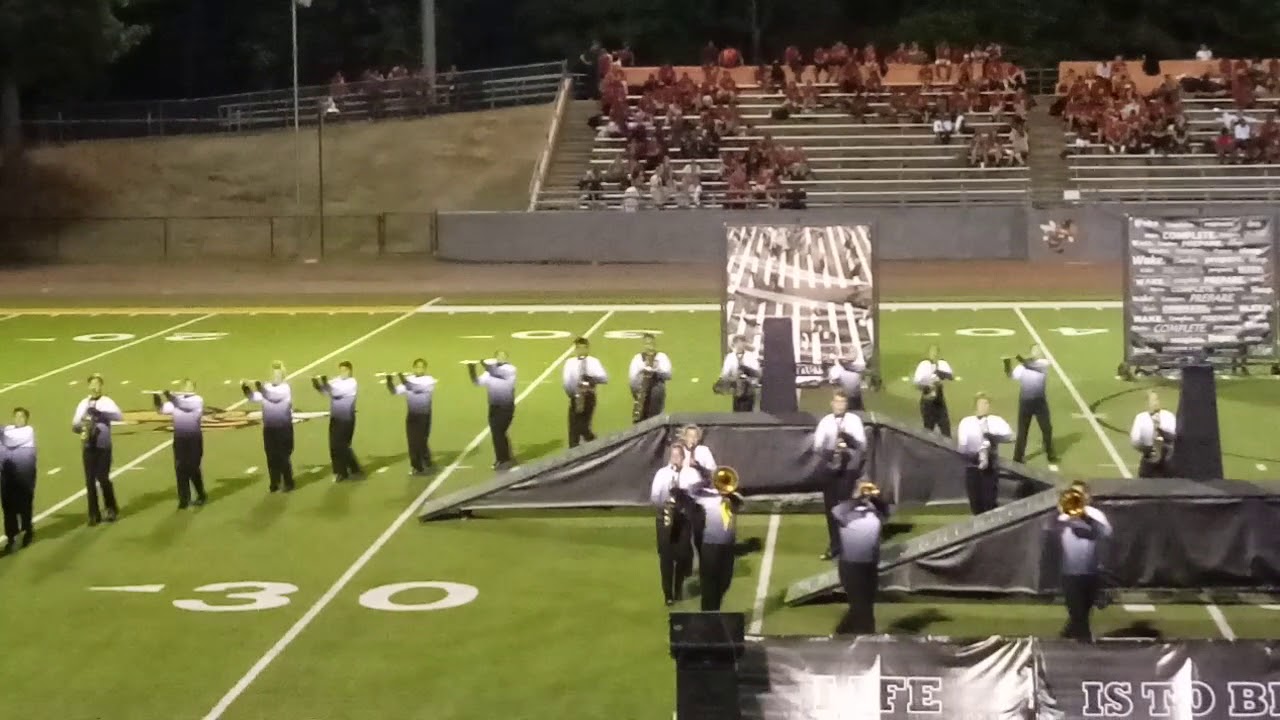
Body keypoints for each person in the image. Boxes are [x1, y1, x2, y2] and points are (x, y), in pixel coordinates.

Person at [814, 392, 867, 560]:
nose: (840, 405)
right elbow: (817, 446)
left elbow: (862, 444)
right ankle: (835, 545)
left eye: (843, 402)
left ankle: (848, 544)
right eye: (837, 402)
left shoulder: (854, 420)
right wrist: (831, 450)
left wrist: (848, 442)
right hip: (830, 468)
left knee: (846, 507)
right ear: (832, 403)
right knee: (831, 509)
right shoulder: (826, 422)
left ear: (847, 404)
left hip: (848, 470)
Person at [1056, 484, 1112, 642]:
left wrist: (1086, 516)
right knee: (1080, 618)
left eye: (1080, 494)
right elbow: (1055, 528)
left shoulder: (1096, 514)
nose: (1076, 497)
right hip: (1070, 574)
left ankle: (1064, 639)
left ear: (1088, 497)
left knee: (1080, 616)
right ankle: (1086, 650)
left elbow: (1106, 533)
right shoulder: (1064, 514)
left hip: (1091, 573)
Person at [831, 482, 889, 634]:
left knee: (864, 605)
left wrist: (874, 497)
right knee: (864, 613)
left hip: (870, 567)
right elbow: (835, 511)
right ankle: (868, 640)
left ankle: (841, 633)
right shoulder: (845, 514)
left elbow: (885, 510)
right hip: (851, 568)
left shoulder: (876, 512)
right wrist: (858, 498)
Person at [650, 444, 701, 606]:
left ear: (683, 458)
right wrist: (666, 501)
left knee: (682, 555)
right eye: (673, 456)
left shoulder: (691, 474)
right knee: (666, 557)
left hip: (683, 519)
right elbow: (655, 496)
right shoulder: (662, 474)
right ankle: (668, 594)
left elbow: (698, 494)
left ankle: (678, 587)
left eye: (678, 456)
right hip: (665, 518)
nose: (675, 459)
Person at [72, 374, 124, 525]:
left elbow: (119, 416)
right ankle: (93, 514)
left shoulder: (106, 402)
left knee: (102, 478)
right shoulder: (83, 403)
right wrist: (83, 427)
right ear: (88, 386)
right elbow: (75, 423)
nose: (94, 386)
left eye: (97, 384)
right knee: (89, 481)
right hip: (88, 445)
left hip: (103, 445)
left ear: (101, 386)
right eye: (92, 384)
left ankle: (111, 507)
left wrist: (101, 414)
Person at [956, 394, 1014, 515]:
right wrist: (977, 453)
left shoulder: (996, 420)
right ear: (975, 406)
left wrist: (993, 437)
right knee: (975, 503)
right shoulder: (966, 422)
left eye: (987, 404)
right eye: (982, 403)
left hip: (990, 467)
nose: (985, 406)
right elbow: (962, 447)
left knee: (989, 502)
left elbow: (1011, 437)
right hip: (972, 466)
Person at [242, 362, 295, 493]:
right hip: (269, 428)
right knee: (271, 456)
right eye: (273, 374)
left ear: (282, 375)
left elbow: (271, 396)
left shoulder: (285, 388)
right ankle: (274, 482)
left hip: (283, 428)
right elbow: (254, 398)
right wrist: (246, 389)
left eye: (278, 374)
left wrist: (260, 387)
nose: (275, 376)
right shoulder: (267, 387)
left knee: (283, 456)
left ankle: (288, 482)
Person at [154, 380, 207, 509]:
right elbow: (161, 410)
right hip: (180, 439)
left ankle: (201, 494)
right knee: (180, 468)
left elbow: (182, 404)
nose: (186, 388)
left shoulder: (197, 400)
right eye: (184, 386)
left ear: (194, 388)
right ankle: (184, 499)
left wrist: (170, 397)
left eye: (189, 386)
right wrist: (157, 399)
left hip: (194, 438)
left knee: (193, 467)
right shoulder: (176, 400)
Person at [694, 476, 742, 611]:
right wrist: (704, 481)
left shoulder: (734, 498)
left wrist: (729, 494)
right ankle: (707, 614)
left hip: (728, 545)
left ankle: (714, 610)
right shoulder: (707, 499)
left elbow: (739, 503)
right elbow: (692, 491)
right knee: (709, 583)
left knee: (725, 581)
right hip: (710, 545)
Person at [1004, 346, 1056, 464]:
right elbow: (1011, 376)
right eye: (1035, 350)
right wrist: (1006, 364)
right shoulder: (1022, 366)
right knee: (1022, 431)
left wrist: (1021, 359)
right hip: (1025, 402)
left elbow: (1031, 366)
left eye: (1039, 351)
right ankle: (1017, 458)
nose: (1038, 352)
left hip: (1040, 402)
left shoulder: (1043, 363)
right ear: (1031, 352)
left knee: (1047, 428)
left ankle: (1050, 454)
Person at [313, 361, 362, 482]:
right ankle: (353, 467)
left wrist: (325, 382)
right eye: (341, 370)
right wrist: (317, 384)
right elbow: (325, 391)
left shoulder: (352, 383)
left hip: (346, 419)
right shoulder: (336, 380)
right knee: (335, 446)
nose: (343, 373)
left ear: (350, 371)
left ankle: (342, 472)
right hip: (335, 418)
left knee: (340, 445)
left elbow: (335, 392)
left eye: (345, 370)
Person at [386, 359, 437, 475]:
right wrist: (389, 381)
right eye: (417, 367)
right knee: (413, 442)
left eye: (422, 367)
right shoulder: (409, 380)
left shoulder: (429, 380)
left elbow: (413, 388)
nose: (420, 369)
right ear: (414, 368)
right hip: (412, 415)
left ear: (425, 369)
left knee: (421, 440)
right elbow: (394, 391)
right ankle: (416, 466)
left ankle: (426, 458)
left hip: (424, 415)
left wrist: (403, 379)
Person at [468, 351, 517, 470]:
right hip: (493, 407)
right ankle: (505, 457)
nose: (501, 358)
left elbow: (495, 372)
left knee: (498, 433)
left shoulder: (510, 369)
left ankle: (503, 459)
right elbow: (477, 382)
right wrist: (472, 370)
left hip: (506, 406)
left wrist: (483, 363)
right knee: (498, 433)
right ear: (495, 358)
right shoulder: (489, 372)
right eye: (499, 356)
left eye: (503, 356)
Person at [1, 408, 36, 552]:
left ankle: (27, 530)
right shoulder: (7, 429)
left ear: (26, 419)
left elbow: (9, 441)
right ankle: (11, 537)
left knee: (24, 505)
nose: (19, 419)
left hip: (24, 474)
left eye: (22, 417)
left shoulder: (28, 431)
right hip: (6, 474)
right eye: (16, 416)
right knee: (7, 507)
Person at [562, 338, 608, 448]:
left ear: (587, 348)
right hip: (575, 397)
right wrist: (573, 394)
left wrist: (590, 378)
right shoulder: (570, 362)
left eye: (583, 348)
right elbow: (566, 381)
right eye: (578, 348)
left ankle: (593, 441)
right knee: (573, 429)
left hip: (589, 397)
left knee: (583, 427)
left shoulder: (594, 362)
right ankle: (573, 453)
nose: (581, 351)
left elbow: (604, 378)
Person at [1130, 391, 1176, 478]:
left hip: (1167, 461)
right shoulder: (1141, 418)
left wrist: (1165, 443)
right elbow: (1135, 440)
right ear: (1147, 403)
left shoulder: (1168, 416)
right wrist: (1148, 450)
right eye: (1153, 400)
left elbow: (1176, 437)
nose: (1155, 402)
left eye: (1157, 399)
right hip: (1149, 461)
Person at [629, 334, 673, 422]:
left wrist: (656, 369)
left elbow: (668, 374)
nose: (649, 346)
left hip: (656, 390)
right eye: (646, 344)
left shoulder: (661, 357)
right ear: (643, 345)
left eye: (651, 343)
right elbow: (632, 377)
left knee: (655, 417)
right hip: (641, 392)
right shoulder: (637, 358)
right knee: (640, 418)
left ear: (654, 344)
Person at [913, 345, 954, 436]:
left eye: (936, 352)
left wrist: (941, 374)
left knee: (946, 430)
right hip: (928, 402)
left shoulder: (942, 364)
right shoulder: (923, 365)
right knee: (928, 430)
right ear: (928, 353)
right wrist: (928, 386)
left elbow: (951, 377)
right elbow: (916, 384)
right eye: (932, 352)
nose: (934, 354)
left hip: (939, 402)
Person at [718, 335, 761, 412]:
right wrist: (733, 378)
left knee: (748, 413)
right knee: (737, 414)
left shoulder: (751, 356)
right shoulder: (730, 357)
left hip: (749, 389)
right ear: (734, 344)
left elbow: (757, 373)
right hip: (736, 389)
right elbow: (724, 375)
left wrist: (749, 375)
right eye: (739, 342)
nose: (741, 345)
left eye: (743, 342)